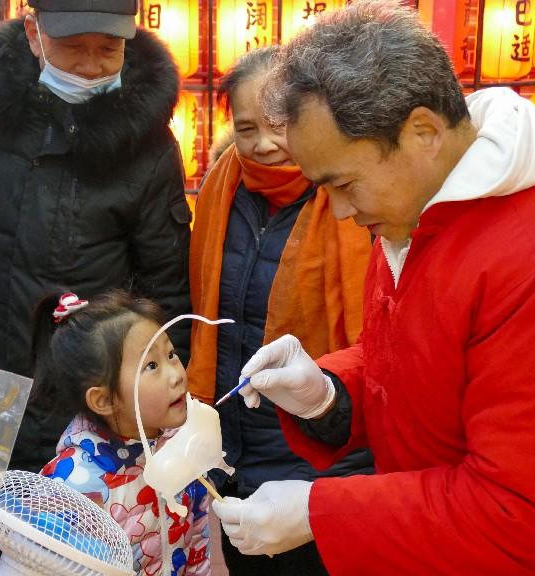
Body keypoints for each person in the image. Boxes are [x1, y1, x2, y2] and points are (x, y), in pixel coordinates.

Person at [211, 1, 535, 573]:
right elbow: (426, 368)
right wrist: (328, 394)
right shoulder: (417, 212)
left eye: (345, 183)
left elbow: (527, 515)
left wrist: (317, 511)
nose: (343, 211)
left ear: (423, 131)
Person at [0, 0, 192, 471]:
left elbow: (165, 282)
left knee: (91, 531)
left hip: (94, 396)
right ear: (33, 31)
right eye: (72, 47)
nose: (90, 65)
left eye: (108, 49)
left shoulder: (150, 145)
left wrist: (154, 391)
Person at [187, 46, 372, 575]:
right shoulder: (222, 187)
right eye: (247, 129)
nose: (264, 145)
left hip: (324, 449)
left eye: (278, 125)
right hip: (235, 438)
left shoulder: (348, 195)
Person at [38, 291, 209, 575]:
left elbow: (199, 538)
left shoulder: (184, 446)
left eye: (171, 354)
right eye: (152, 366)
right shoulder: (73, 488)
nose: (176, 374)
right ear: (104, 400)